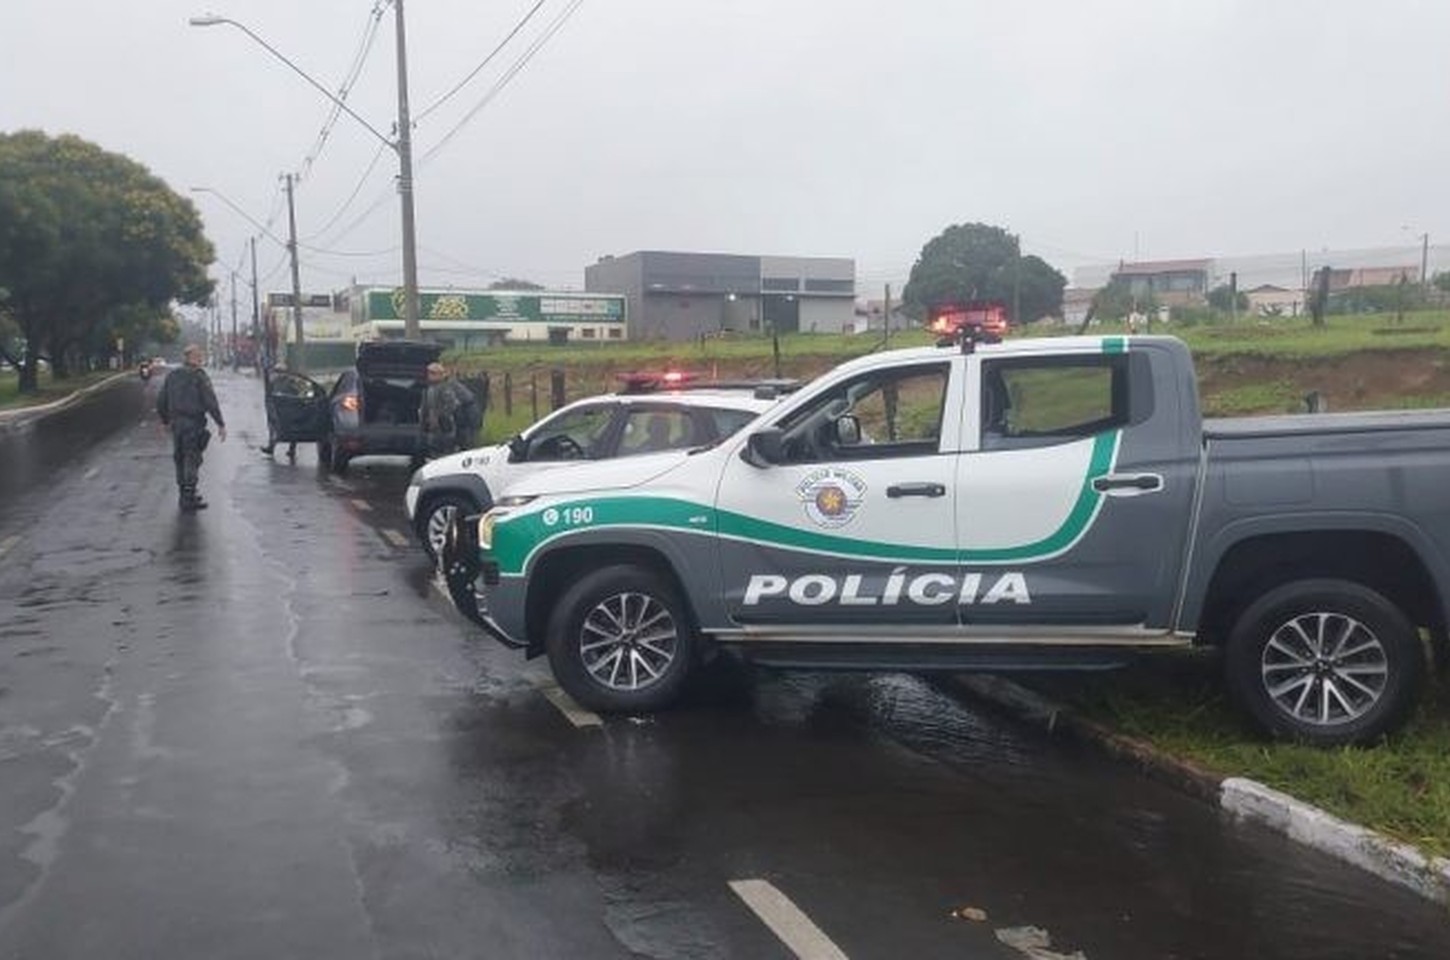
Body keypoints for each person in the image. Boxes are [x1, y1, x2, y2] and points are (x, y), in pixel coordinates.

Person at [156, 343, 227, 510]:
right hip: (193, 423)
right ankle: (189, 497)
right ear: (192, 357)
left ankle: (184, 494)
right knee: (192, 457)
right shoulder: (199, 376)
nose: (201, 358)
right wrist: (220, 423)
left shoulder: (173, 375)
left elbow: (161, 400)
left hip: (177, 424)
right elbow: (210, 401)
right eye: (198, 355)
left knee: (179, 457)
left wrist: (165, 421)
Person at [420, 361, 479, 458]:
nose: (428, 375)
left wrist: (440, 417)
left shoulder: (445, 386)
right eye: (429, 373)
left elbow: (452, 404)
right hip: (457, 418)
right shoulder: (434, 387)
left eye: (432, 373)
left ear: (439, 374)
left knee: (457, 444)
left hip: (462, 417)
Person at [259, 362, 297, 460]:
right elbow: (269, 393)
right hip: (278, 409)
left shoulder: (290, 382)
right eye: (277, 371)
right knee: (274, 428)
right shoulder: (274, 382)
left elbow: (296, 394)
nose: (278, 374)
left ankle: (292, 449)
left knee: (293, 429)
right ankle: (271, 447)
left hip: (289, 409)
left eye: (280, 371)